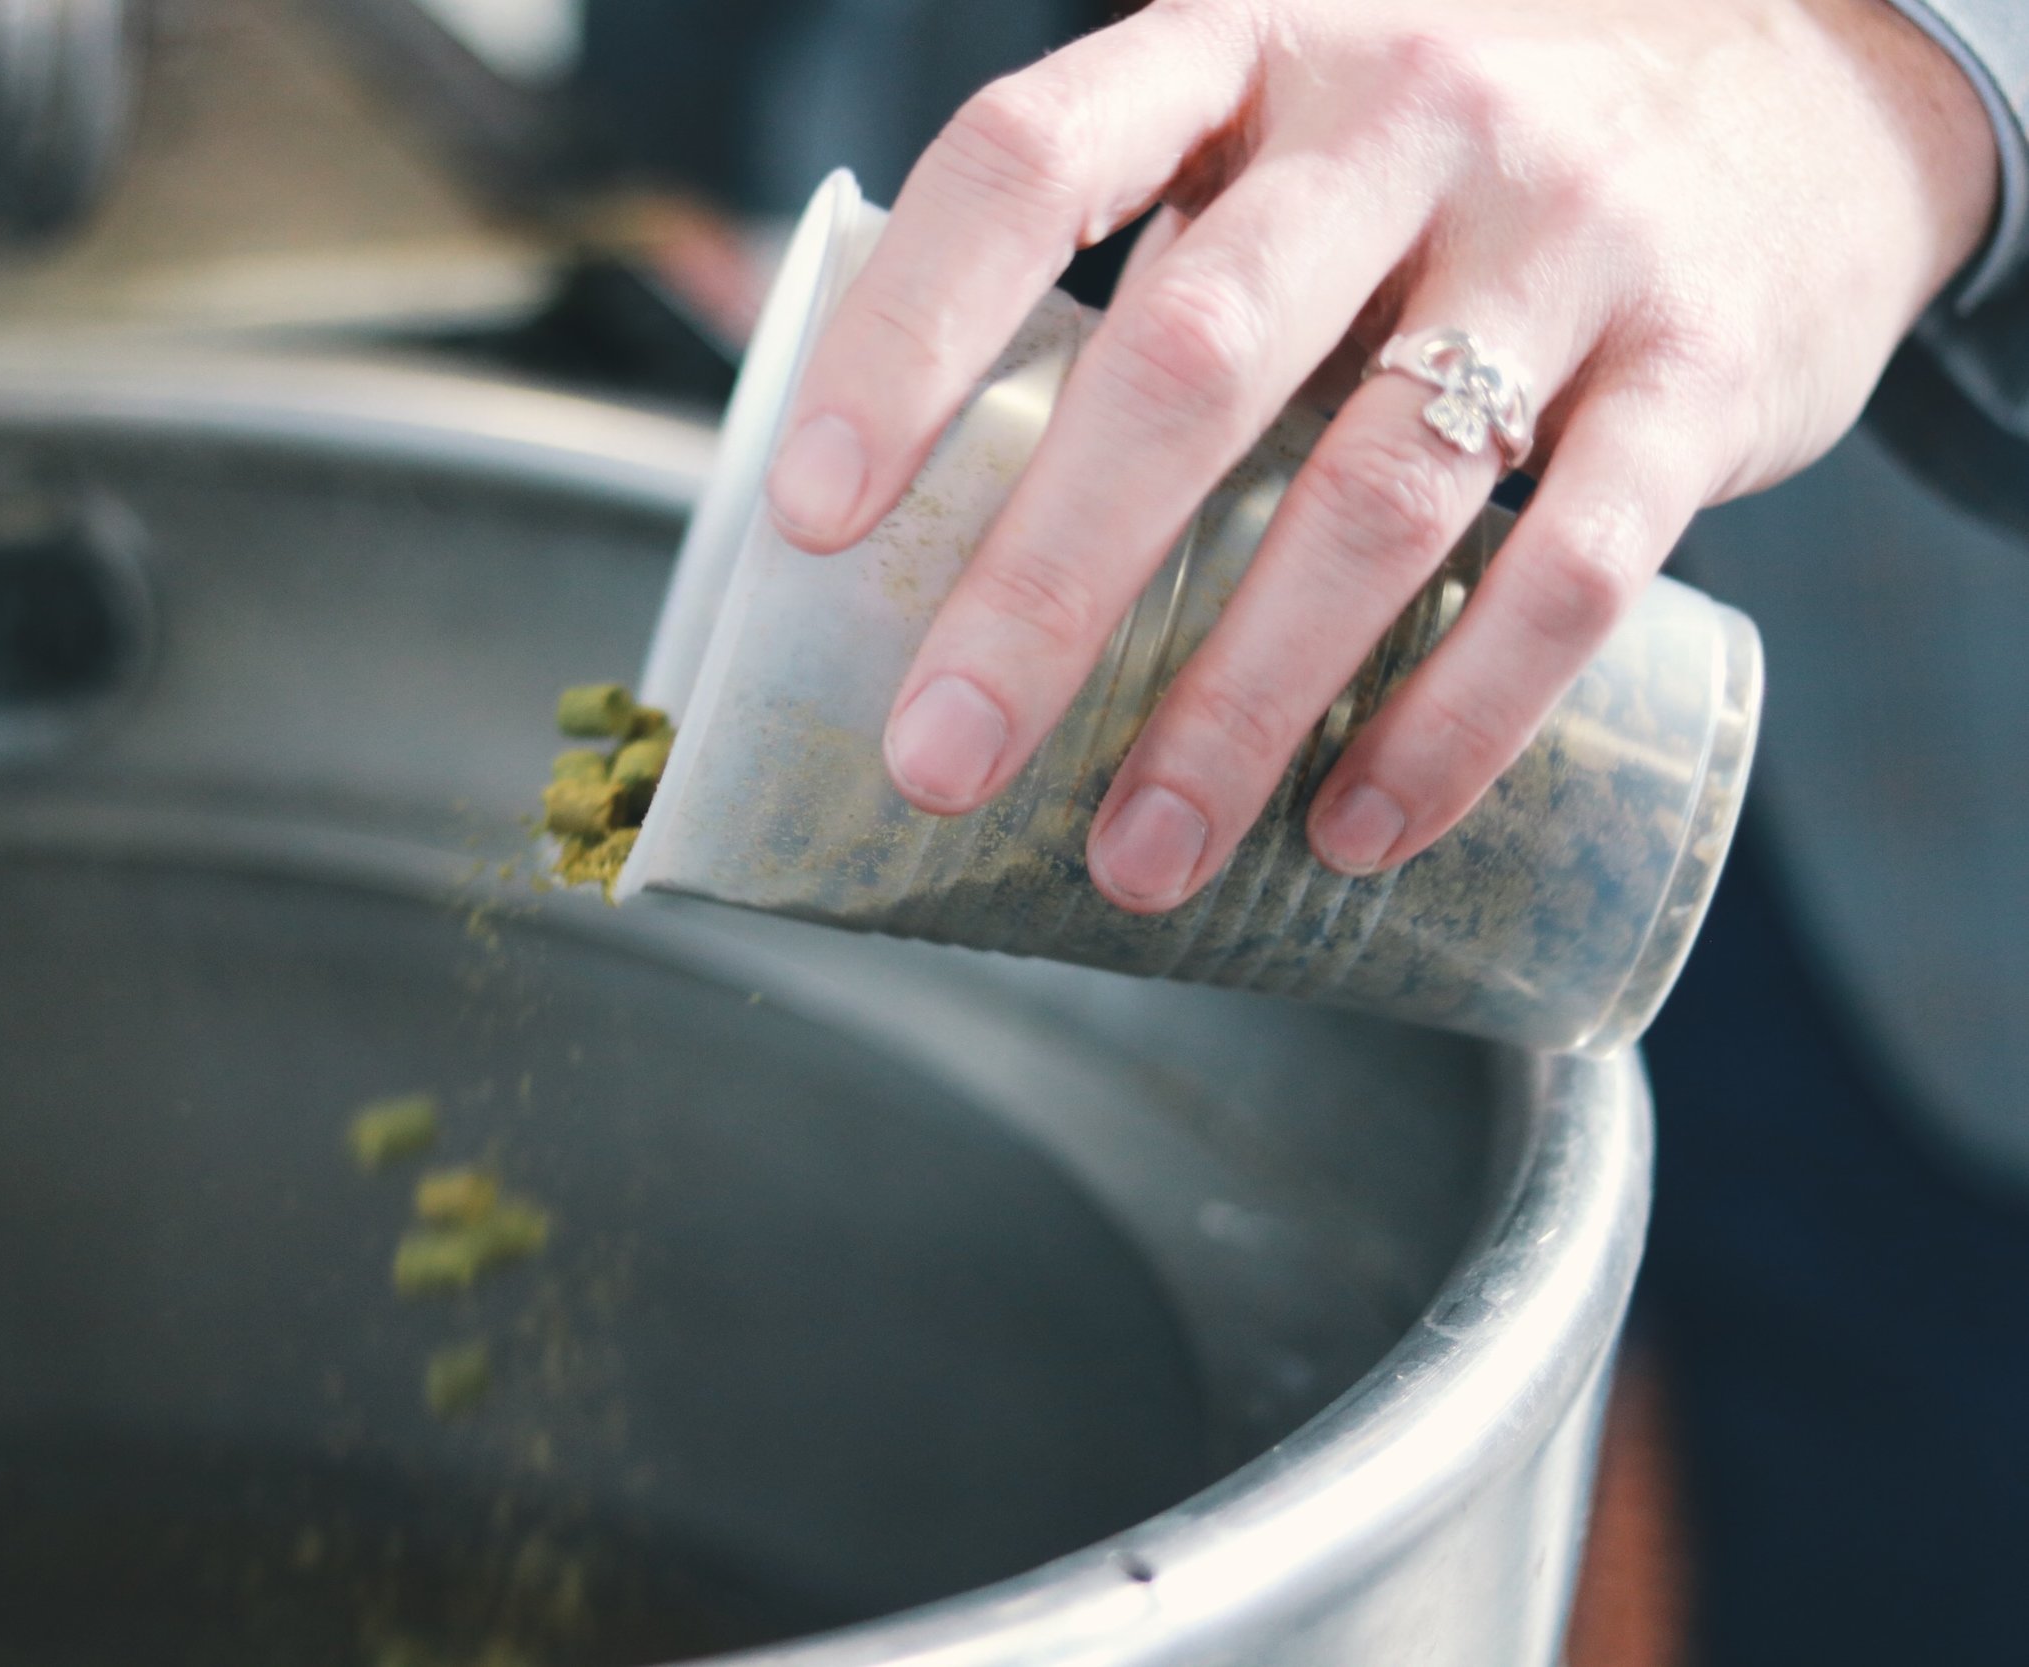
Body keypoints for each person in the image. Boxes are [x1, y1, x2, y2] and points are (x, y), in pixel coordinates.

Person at [581, 0, 2029, 1661]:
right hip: (1147, 404)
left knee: (1910, 1509)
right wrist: (655, 150)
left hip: (1911, 679)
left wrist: (1896, 77)